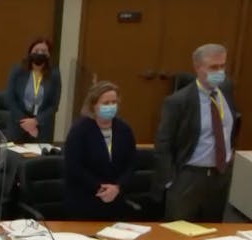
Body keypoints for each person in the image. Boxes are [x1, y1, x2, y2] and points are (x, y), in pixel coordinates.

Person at [152, 43, 237, 222]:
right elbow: (163, 144)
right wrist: (170, 181)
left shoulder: (227, 89)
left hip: (220, 177)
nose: (220, 71)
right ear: (198, 68)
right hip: (189, 177)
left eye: (222, 66)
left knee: (213, 230)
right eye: (214, 67)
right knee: (178, 232)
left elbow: (229, 129)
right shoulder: (178, 101)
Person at [64, 81, 137, 220]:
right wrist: (100, 187)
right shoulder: (80, 130)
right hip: (85, 199)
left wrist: (117, 187)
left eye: (114, 102)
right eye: (106, 103)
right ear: (93, 105)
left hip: (116, 199)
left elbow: (131, 164)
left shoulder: (124, 129)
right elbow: (74, 166)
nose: (110, 106)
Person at [5, 38, 61, 143]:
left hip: (42, 127)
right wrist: (26, 123)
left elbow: (54, 105)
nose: (39, 53)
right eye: (36, 51)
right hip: (18, 125)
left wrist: (36, 121)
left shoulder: (54, 75)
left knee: (39, 158)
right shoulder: (17, 71)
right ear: (30, 52)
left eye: (44, 51)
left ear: (49, 55)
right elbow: (9, 99)